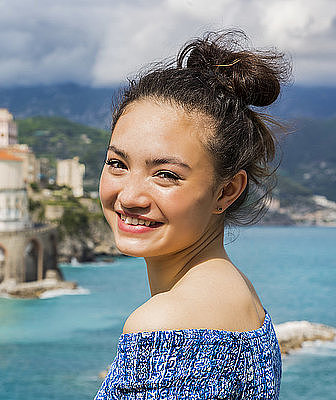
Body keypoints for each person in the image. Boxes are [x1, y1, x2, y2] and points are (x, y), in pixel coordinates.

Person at [95, 30, 289, 399]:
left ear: (227, 190)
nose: (131, 195)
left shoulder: (164, 326)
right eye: (117, 163)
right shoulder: (242, 297)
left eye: (166, 174)